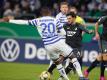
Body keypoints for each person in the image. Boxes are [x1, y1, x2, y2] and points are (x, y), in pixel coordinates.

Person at [0, 7, 84, 80]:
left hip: (48, 46)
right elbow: (63, 33)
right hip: (57, 42)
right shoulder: (55, 20)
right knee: (73, 56)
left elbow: (24, 22)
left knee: (57, 63)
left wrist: (10, 20)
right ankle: (81, 76)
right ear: (50, 13)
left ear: (41, 14)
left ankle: (66, 79)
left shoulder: (38, 20)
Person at [58, 12, 93, 80]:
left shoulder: (79, 25)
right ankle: (53, 74)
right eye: (67, 18)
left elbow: (86, 30)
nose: (68, 20)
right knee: (59, 62)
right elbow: (59, 32)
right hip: (67, 48)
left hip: (77, 48)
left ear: (74, 18)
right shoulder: (65, 26)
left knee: (73, 62)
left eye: (69, 18)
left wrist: (89, 31)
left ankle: (79, 77)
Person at [84, 16, 107, 80]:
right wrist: (96, 33)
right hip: (103, 40)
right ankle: (102, 77)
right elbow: (96, 24)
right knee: (105, 57)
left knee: (100, 57)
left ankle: (87, 71)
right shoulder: (104, 18)